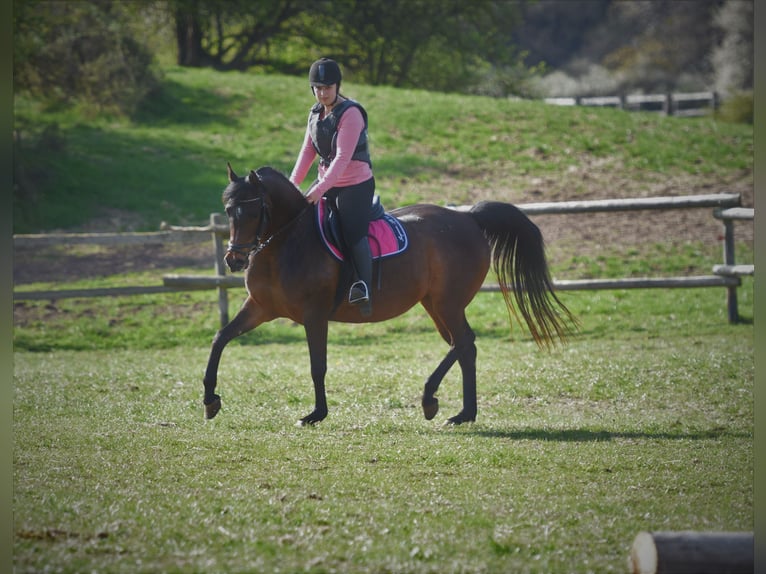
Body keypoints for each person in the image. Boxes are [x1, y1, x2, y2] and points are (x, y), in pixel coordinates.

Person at [290, 57, 375, 316]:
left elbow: (342, 158)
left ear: (337, 86)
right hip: (327, 182)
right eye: (318, 88)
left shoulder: (351, 114)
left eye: (328, 87)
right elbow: (307, 152)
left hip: (355, 186)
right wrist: (292, 186)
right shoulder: (315, 114)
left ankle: (364, 288)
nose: (323, 93)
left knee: (352, 233)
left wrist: (318, 190)